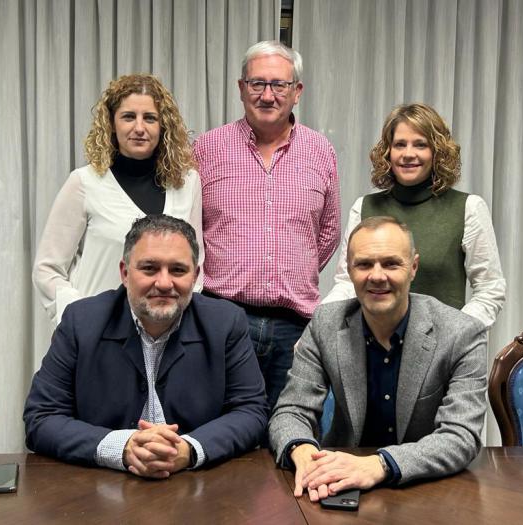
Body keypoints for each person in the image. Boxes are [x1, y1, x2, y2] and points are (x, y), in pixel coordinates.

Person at [24, 215, 267, 477]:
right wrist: (123, 448)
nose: (164, 283)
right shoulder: (81, 322)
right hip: (101, 487)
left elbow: (251, 412)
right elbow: (42, 417)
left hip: (199, 486)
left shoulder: (226, 323)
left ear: (195, 276)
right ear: (125, 273)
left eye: (178, 270)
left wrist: (189, 449)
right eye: (149, 268)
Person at [269, 216, 487, 500]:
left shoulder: (461, 333)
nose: (377, 276)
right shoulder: (325, 322)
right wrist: (303, 451)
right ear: (349, 270)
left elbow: (461, 436)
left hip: (426, 488)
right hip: (339, 484)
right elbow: (291, 410)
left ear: (413, 268)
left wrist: (380, 464)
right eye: (364, 264)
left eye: (391, 263)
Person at [193, 40, 341, 410]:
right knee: (220, 430)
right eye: (257, 83)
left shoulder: (321, 151)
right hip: (222, 317)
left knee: (288, 430)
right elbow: (190, 231)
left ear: (297, 93)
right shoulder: (207, 149)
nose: (268, 95)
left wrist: (289, 269)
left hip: (295, 327)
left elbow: (328, 232)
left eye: (279, 85)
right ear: (241, 88)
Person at [33, 74, 203, 325]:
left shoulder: (187, 183)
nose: (139, 128)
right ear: (111, 123)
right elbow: (47, 268)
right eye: (128, 117)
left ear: (163, 126)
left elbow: (195, 263)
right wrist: (80, 315)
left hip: (167, 331)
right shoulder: (85, 182)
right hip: (98, 332)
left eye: (150, 118)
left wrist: (177, 319)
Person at [323, 103, 505, 328]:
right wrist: (320, 322)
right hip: (373, 347)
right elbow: (346, 283)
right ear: (388, 151)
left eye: (420, 145)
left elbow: (490, 288)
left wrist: (456, 333)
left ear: (437, 152)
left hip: (442, 350)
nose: (408, 154)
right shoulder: (364, 207)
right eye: (400, 144)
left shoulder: (468, 208)